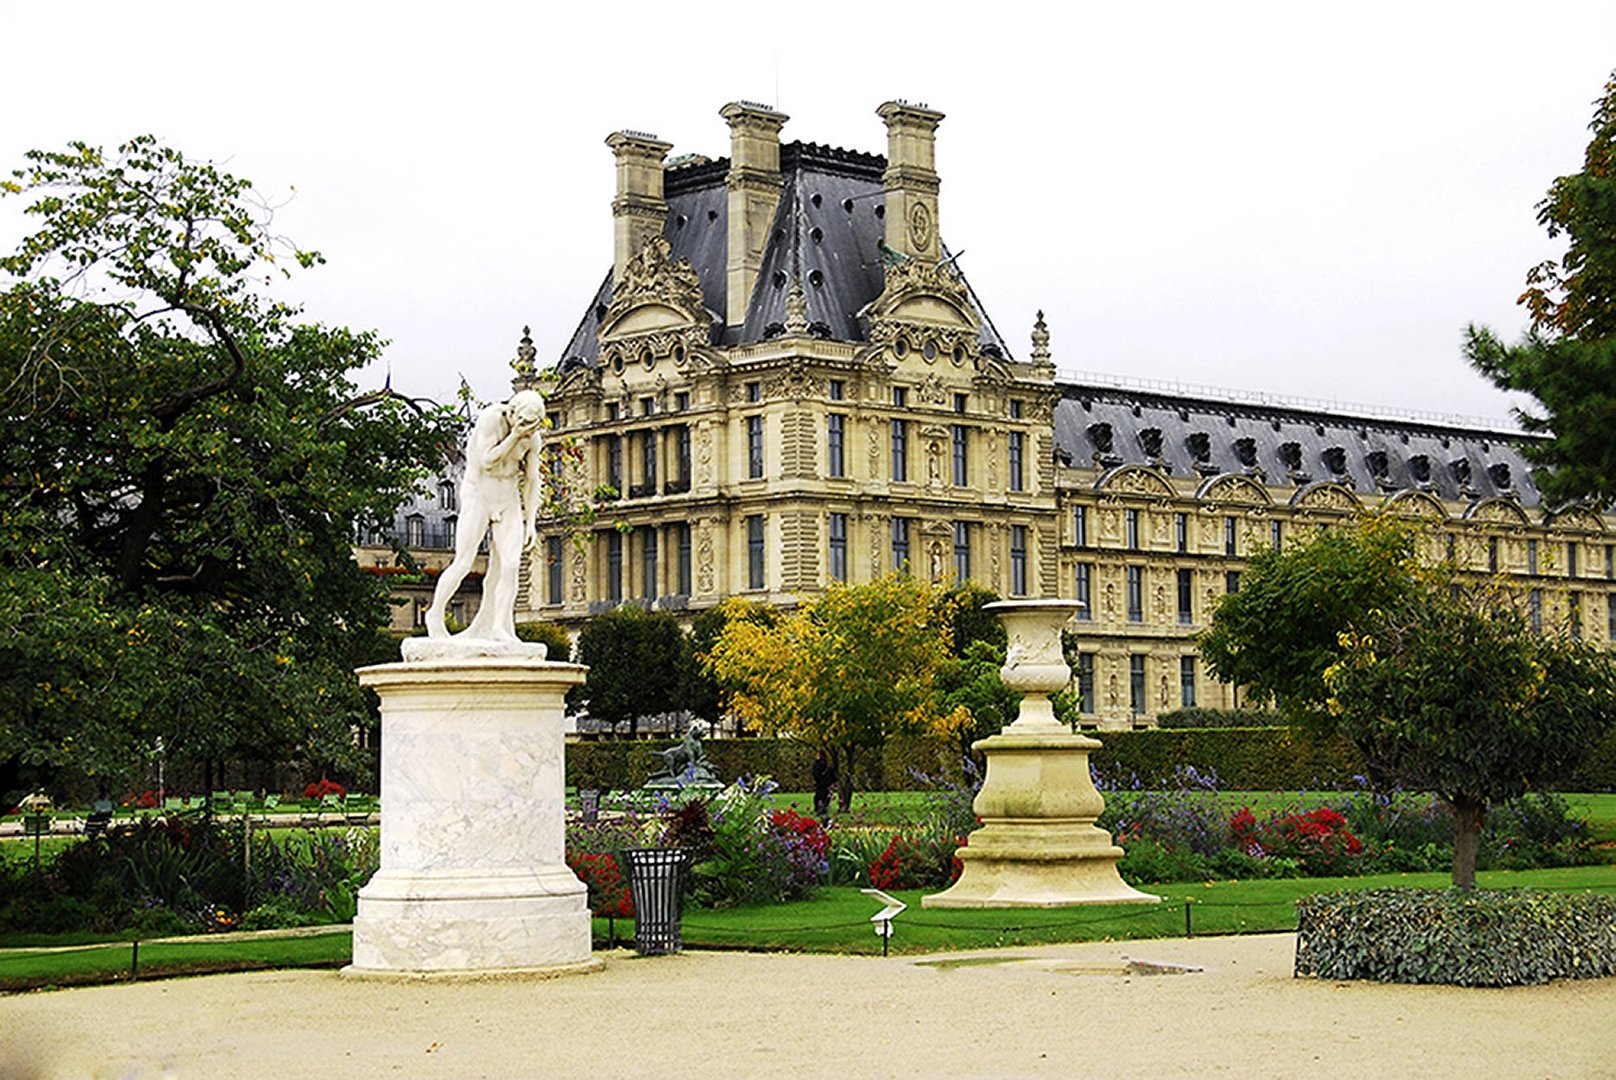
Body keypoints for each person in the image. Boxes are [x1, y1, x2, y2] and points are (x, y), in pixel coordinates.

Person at [423, 389, 545, 642]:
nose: (529, 429)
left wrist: (531, 520)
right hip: (479, 493)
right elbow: (488, 460)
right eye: (525, 422)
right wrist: (515, 435)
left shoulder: (532, 437)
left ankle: (499, 626)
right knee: (464, 562)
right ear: (512, 414)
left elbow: (533, 480)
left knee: (510, 566)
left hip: (508, 497)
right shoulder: (491, 418)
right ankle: (435, 614)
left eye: (534, 425)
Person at [811, 749, 838, 820]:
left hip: (820, 784)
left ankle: (819, 809)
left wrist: (818, 780)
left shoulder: (817, 764)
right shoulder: (828, 764)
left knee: (818, 797)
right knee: (826, 798)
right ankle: (824, 809)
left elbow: (815, 774)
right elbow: (834, 775)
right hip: (828, 784)